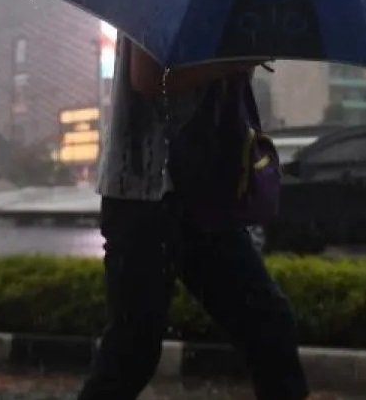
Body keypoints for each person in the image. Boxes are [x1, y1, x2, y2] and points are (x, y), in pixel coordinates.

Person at [78, 36, 310, 400]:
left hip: (202, 197)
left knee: (269, 325)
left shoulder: (224, 0)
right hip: (144, 193)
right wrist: (236, 60)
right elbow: (149, 78)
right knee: (132, 350)